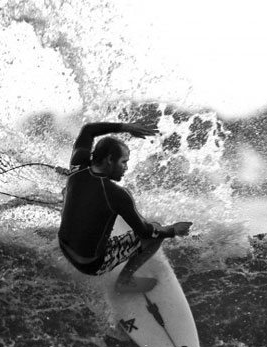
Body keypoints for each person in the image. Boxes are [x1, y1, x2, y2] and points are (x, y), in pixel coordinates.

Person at [57, 121, 192, 293]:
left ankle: (74, 207)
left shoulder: (78, 163)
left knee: (69, 189)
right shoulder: (117, 194)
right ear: (109, 160)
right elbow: (146, 232)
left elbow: (88, 130)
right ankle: (124, 281)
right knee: (156, 230)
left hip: (63, 244)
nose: (126, 168)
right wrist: (172, 230)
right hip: (89, 264)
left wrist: (126, 127)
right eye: (123, 162)